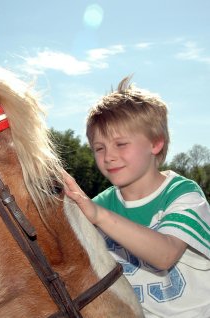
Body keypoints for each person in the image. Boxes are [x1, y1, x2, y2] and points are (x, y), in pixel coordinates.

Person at [63, 76, 210, 318]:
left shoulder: (183, 194)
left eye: (120, 144)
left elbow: (165, 255)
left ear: (155, 143)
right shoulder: (100, 206)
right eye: (99, 148)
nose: (108, 156)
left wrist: (98, 216)